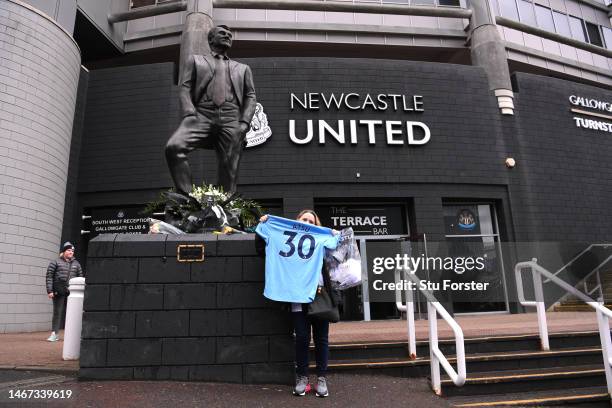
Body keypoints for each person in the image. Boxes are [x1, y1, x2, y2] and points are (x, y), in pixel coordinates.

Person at [165, 25, 257, 195]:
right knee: (174, 147)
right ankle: (187, 198)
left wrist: (244, 122)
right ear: (210, 39)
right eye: (222, 33)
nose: (227, 36)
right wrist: (189, 113)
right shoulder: (196, 60)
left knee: (229, 164)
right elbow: (185, 88)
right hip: (201, 114)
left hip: (232, 117)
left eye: (230, 35)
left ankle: (223, 201)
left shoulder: (243, 68)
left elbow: (250, 96)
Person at [258, 210, 338, 398]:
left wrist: (334, 235)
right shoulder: (285, 234)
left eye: (311, 220)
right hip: (296, 295)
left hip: (319, 295)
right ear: (297, 221)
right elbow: (262, 249)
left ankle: (321, 379)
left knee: (321, 339)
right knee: (301, 338)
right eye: (304, 219)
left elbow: (336, 252)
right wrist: (263, 224)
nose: (307, 222)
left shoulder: (321, 238)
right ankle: (302, 377)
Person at [45, 242, 83, 342]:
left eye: (72, 251)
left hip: (72, 292)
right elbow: (49, 277)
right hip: (59, 291)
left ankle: (73, 335)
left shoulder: (76, 264)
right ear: (64, 251)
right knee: (57, 312)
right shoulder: (55, 262)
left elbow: (80, 278)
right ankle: (54, 334)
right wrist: (50, 291)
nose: (71, 252)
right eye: (69, 250)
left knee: (74, 313)